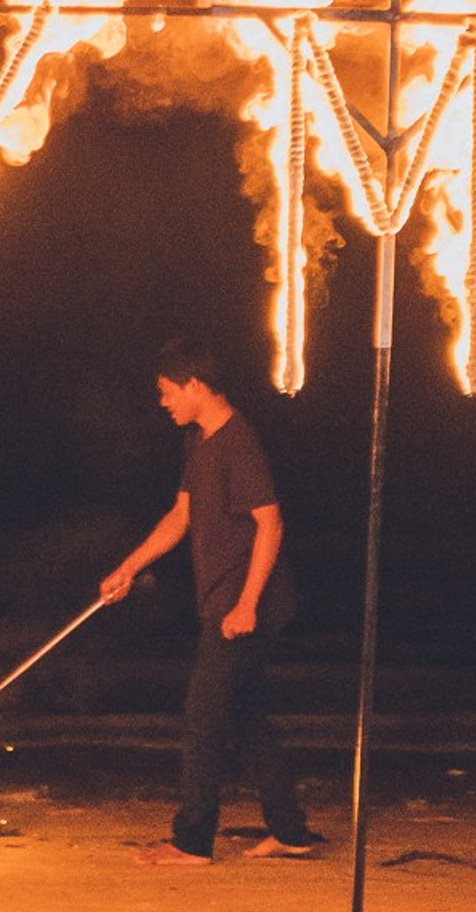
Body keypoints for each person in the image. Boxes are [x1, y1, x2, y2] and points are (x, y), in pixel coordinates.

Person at [99, 339, 319, 866]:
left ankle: (192, 841)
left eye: (167, 392)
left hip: (246, 604)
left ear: (194, 384)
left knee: (203, 717)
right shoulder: (198, 442)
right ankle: (290, 831)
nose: (163, 402)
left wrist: (246, 604)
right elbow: (180, 517)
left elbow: (271, 524)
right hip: (224, 599)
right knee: (246, 715)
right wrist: (129, 567)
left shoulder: (238, 442)